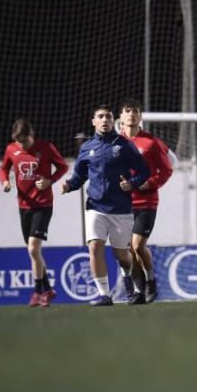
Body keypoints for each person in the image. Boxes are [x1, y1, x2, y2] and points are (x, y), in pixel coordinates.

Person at [60, 105, 151, 306]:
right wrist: (69, 185)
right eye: (100, 116)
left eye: (108, 116)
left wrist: (132, 183)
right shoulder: (86, 147)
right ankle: (104, 295)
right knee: (94, 247)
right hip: (95, 206)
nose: (104, 120)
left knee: (122, 255)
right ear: (93, 121)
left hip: (120, 209)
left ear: (113, 121)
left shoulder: (124, 145)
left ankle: (127, 273)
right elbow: (79, 176)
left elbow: (144, 171)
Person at [0, 118, 68, 307]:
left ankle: (38, 292)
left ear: (32, 135)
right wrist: (5, 182)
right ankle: (47, 290)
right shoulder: (11, 149)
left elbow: (63, 166)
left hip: (43, 205)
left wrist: (50, 181)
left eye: (25, 140)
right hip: (23, 206)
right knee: (34, 252)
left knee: (32, 248)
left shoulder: (45, 148)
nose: (22, 144)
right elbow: (4, 169)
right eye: (19, 141)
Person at [118, 101, 173, 304]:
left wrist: (149, 184)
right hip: (121, 204)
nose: (131, 114)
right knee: (129, 250)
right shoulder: (114, 143)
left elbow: (166, 170)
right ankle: (139, 290)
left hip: (146, 202)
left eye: (135, 111)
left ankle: (151, 281)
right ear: (121, 118)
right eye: (127, 111)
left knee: (138, 246)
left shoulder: (151, 142)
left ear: (140, 117)